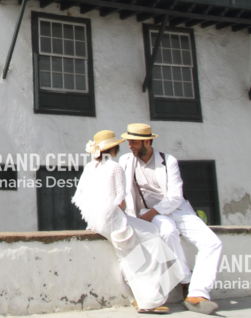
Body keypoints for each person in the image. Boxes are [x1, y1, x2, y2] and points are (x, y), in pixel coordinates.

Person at [119, 123, 223, 315]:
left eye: (133, 141)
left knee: (213, 242)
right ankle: (186, 282)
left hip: (177, 209)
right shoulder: (125, 161)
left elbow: (175, 196)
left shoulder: (169, 160)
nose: (129, 145)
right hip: (149, 213)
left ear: (147, 141)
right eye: (128, 141)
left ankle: (198, 293)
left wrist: (153, 213)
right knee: (167, 232)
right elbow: (123, 192)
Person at [72, 130, 176, 314]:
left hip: (95, 223)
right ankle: (149, 299)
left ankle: (136, 297)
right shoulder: (115, 167)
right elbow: (121, 199)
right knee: (151, 236)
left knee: (130, 252)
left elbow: (83, 197)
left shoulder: (90, 168)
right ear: (114, 148)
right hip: (113, 221)